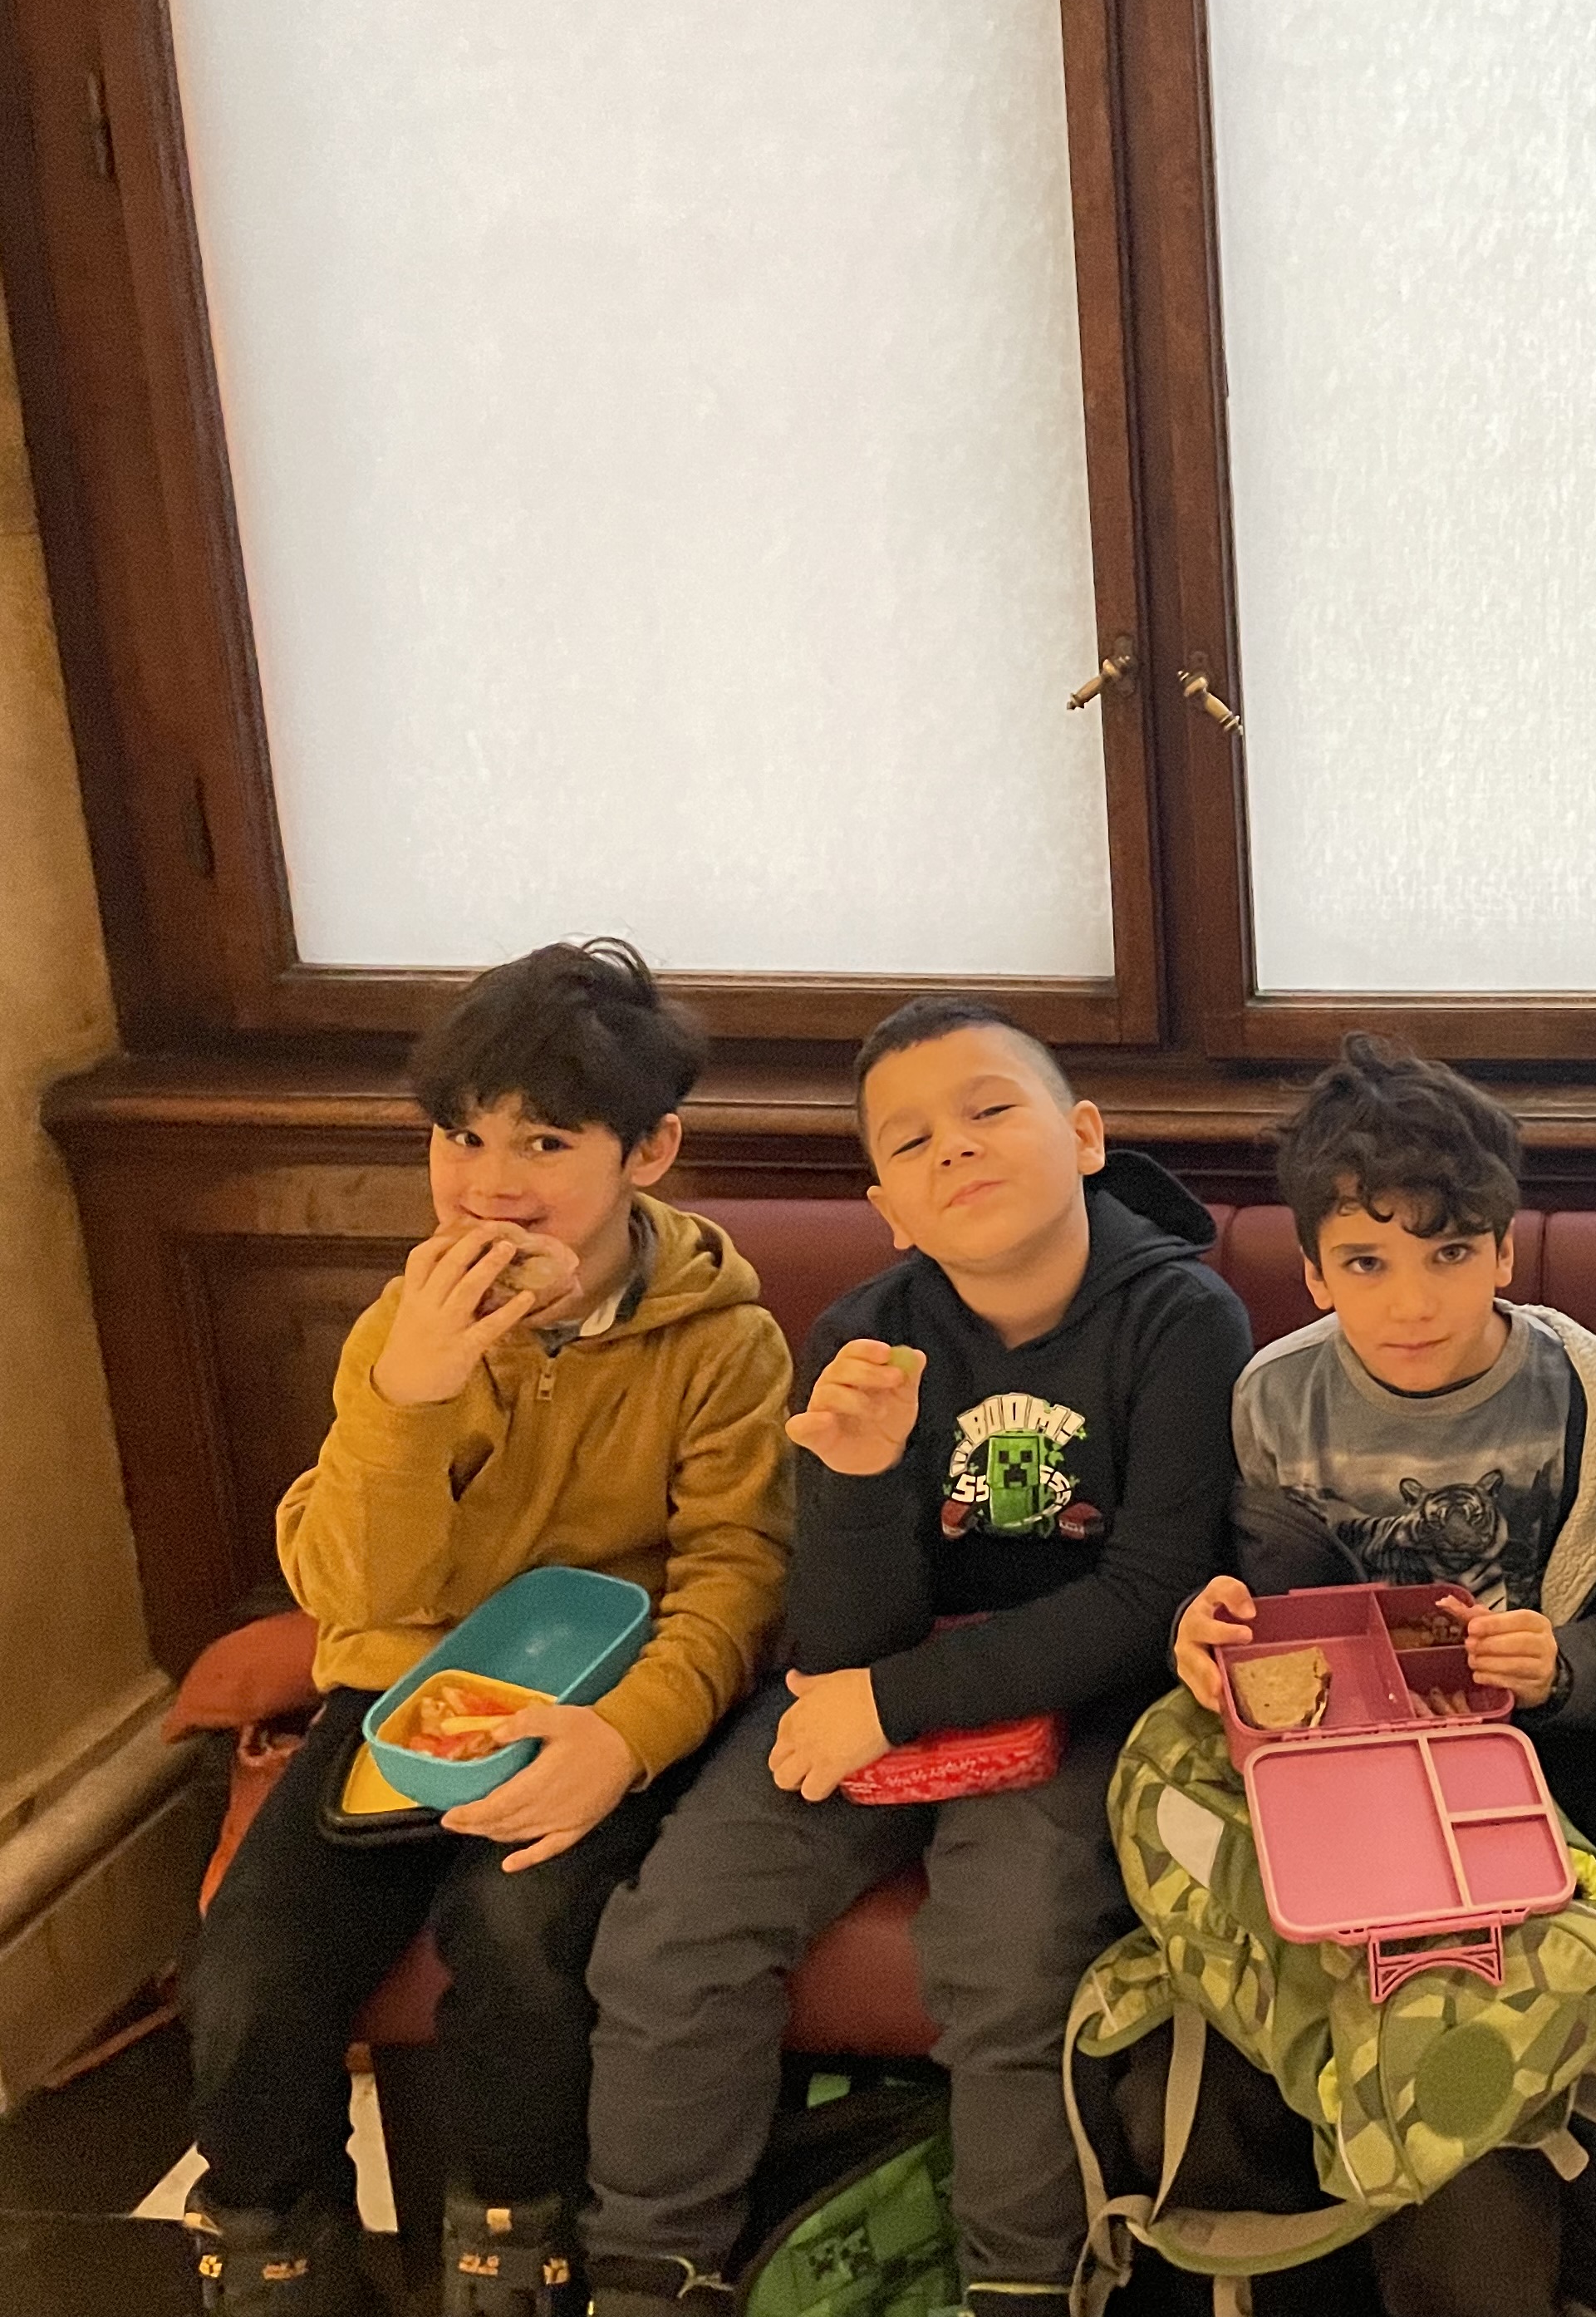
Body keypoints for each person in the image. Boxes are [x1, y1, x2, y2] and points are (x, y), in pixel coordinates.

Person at [580, 997, 1250, 2317]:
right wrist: (862, 1481)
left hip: (1089, 1693)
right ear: (888, 1205)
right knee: (674, 1933)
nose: (957, 1146)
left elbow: (1148, 1596)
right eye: (913, 1140)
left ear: (1085, 1136)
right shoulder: (865, 1335)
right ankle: (648, 2276)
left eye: (990, 1109)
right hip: (875, 1689)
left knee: (1013, 1951)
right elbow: (841, 1639)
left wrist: (890, 1703)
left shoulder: (1183, 1317)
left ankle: (1023, 2285)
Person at [186, 939, 793, 2317]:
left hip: (600, 1705)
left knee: (522, 1942)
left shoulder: (721, 1341)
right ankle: (276, 2248)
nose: (490, 1180)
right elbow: (352, 1590)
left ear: (649, 1151)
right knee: (247, 1968)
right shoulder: (407, 1327)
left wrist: (622, 1743)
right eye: (461, 1136)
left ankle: (514, 2246)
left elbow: (735, 1581)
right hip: (399, 1698)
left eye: (545, 1141)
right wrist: (409, 1398)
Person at [1142, 1033, 1596, 2317]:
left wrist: (1565, 1667)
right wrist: (1205, 1636)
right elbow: (1246, 1610)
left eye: (1449, 1254)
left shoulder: (1593, 1395)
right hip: (1340, 1778)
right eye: (1367, 1264)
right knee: (1254, 1979)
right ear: (1314, 1273)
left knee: (1589, 1997)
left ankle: (1523, 2207)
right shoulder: (1272, 1402)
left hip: (1535, 1768)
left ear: (1504, 1252)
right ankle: (1333, 2180)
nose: (1412, 1300)